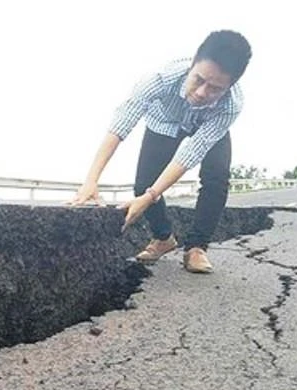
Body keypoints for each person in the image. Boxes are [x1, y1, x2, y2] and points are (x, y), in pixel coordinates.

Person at [70, 30, 252, 273]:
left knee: (216, 178)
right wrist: (91, 181)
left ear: (230, 85)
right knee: (144, 184)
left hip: (207, 125)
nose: (201, 93)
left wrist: (151, 196)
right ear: (193, 63)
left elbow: (191, 153)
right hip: (165, 121)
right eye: (198, 80)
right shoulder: (160, 78)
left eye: (215, 89)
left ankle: (196, 247)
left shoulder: (231, 105)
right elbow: (120, 126)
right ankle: (163, 237)